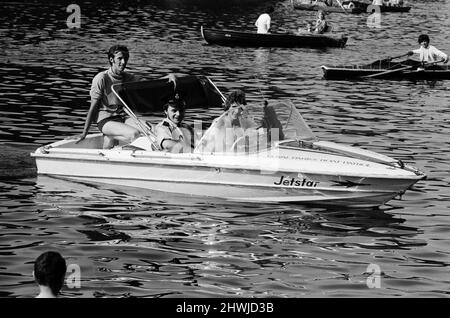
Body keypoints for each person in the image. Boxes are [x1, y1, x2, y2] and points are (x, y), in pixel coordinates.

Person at [76, 44, 176, 149]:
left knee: (152, 129)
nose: (123, 62)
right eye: (120, 58)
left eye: (126, 58)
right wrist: (84, 133)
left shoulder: (128, 77)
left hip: (123, 117)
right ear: (111, 59)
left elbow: (150, 83)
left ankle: (165, 150)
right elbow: (93, 107)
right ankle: (118, 147)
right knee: (134, 134)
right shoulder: (101, 78)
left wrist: (167, 77)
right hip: (105, 121)